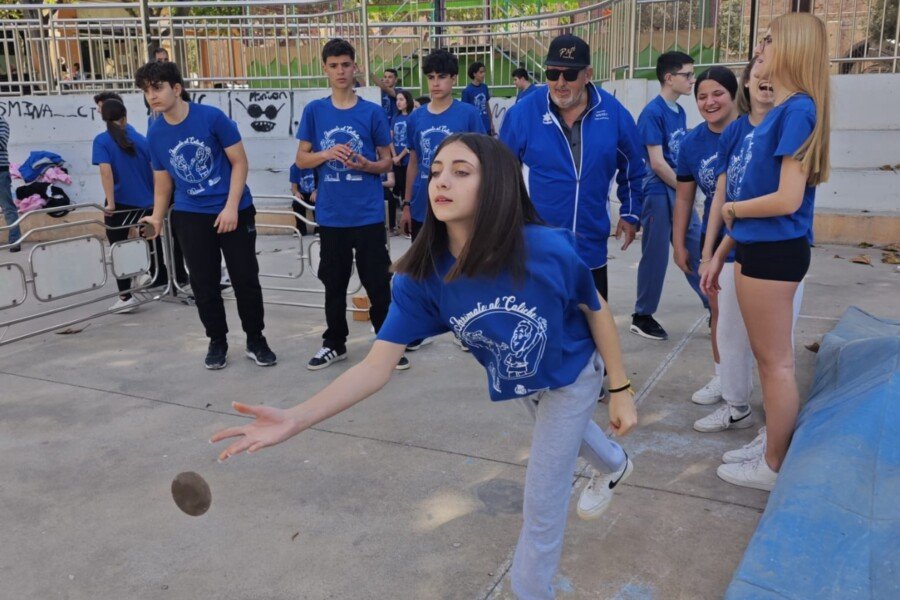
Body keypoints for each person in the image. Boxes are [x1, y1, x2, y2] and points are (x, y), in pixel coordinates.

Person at [211, 134, 638, 600]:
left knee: (542, 498)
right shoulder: (423, 277)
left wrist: (621, 387)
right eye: (436, 171)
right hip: (522, 379)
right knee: (569, 437)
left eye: (461, 171)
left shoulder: (545, 248)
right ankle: (616, 464)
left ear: (495, 184)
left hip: (573, 373)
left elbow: (595, 309)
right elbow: (375, 367)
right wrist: (297, 417)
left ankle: (531, 590)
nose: (441, 182)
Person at [701, 13, 830, 491]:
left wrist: (733, 208)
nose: (762, 47)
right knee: (767, 358)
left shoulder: (798, 110)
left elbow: (787, 199)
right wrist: (725, 244)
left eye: (771, 39)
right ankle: (772, 440)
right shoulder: (781, 112)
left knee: (775, 363)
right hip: (758, 250)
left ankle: (773, 464)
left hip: (775, 253)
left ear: (794, 48)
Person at [136, 60, 276, 370]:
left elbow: (239, 162)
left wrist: (230, 207)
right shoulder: (156, 134)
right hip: (191, 214)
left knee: (245, 279)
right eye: (146, 91)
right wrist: (157, 218)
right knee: (203, 282)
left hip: (234, 209)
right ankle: (217, 340)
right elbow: (163, 183)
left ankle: (256, 339)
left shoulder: (212, 118)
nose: (152, 96)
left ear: (176, 88)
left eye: (157, 88)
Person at [500, 33, 645, 303]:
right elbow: (500, 176)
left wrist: (630, 213)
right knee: (540, 331)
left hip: (591, 244)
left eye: (569, 74)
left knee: (593, 331)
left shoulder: (613, 113)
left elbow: (633, 167)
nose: (560, 83)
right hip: (538, 247)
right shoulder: (523, 113)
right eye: (553, 73)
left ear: (588, 74)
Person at [295, 39, 403, 371]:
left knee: (378, 282)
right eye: (334, 65)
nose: (340, 71)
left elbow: (388, 162)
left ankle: (386, 344)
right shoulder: (315, 110)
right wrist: (326, 154)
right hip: (332, 215)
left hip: (367, 213)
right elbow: (301, 160)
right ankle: (334, 343)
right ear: (325, 69)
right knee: (334, 283)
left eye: (346, 64)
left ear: (355, 67)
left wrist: (365, 165)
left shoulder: (371, 112)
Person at [671, 67, 743, 415]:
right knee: (718, 313)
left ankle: (742, 388)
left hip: (752, 237)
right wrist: (679, 242)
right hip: (713, 238)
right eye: (702, 96)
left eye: (718, 94)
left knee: (747, 318)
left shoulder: (752, 132)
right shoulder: (691, 142)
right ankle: (723, 376)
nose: (709, 102)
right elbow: (685, 198)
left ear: (734, 95)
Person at [632, 51, 708, 341]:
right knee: (656, 254)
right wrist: (685, 186)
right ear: (669, 77)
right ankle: (642, 314)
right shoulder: (653, 112)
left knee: (695, 244)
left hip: (678, 189)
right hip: (657, 190)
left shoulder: (679, 111)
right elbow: (657, 162)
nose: (692, 80)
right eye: (687, 75)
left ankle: (712, 303)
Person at [400, 49, 485, 240]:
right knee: (424, 267)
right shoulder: (416, 117)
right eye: (431, 77)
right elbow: (413, 162)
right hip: (423, 204)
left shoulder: (468, 114)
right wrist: (407, 204)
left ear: (454, 78)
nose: (436, 83)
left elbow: (482, 161)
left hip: (459, 203)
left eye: (442, 77)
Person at [92, 99, 168, 312]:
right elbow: (156, 169)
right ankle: (155, 275)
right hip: (147, 203)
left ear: (104, 118)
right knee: (151, 241)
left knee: (119, 247)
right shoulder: (142, 139)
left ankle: (125, 297)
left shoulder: (102, 141)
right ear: (125, 115)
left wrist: (111, 203)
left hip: (121, 204)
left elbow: (105, 171)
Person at [390, 89, 414, 235]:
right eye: (397, 99)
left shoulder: (412, 117)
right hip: (396, 159)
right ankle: (395, 225)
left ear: (408, 101)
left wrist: (400, 156)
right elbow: (390, 138)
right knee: (397, 190)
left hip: (407, 160)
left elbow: (411, 142)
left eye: (401, 99)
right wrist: (394, 156)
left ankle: (407, 228)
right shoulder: (395, 118)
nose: (398, 102)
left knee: (407, 191)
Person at [0, 114, 19, 252]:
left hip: (1, 172)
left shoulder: (2, 123)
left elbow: (1, 142)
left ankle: (15, 241)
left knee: (8, 208)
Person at [461, 61, 495, 135]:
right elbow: (464, 112)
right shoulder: (467, 91)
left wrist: (491, 123)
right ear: (474, 74)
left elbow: (487, 105)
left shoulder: (484, 87)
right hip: (475, 128)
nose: (483, 74)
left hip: (487, 126)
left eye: (484, 72)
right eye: (481, 72)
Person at [289, 164, 316, 236]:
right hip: (302, 193)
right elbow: (294, 188)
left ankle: (318, 229)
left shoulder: (317, 165)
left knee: (319, 202)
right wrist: (296, 193)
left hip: (315, 192)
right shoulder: (295, 168)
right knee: (296, 204)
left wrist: (316, 191)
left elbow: (322, 183)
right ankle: (301, 229)